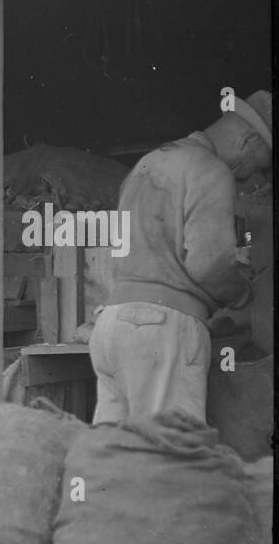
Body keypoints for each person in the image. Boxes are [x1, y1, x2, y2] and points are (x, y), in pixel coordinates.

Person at [90, 90, 271, 423]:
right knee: (170, 455)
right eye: (257, 165)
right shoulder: (210, 169)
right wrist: (241, 291)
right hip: (163, 328)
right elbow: (209, 264)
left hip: (112, 325)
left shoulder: (149, 161)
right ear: (248, 140)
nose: (248, 178)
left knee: (114, 454)